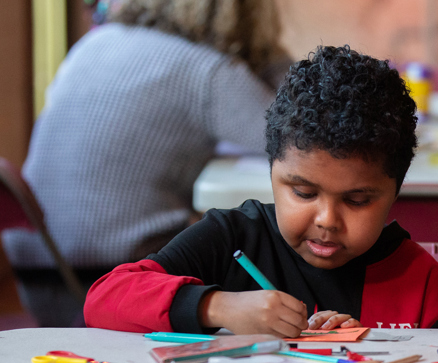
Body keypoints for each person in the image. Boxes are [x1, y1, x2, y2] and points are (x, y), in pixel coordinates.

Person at [84, 45, 438, 337]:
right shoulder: (232, 239)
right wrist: (217, 308)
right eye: (303, 193)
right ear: (272, 172)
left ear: (394, 191)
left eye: (357, 200)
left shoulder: (421, 282)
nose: (327, 221)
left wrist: (364, 352)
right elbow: (104, 298)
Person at [1, 0, 290, 327]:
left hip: (37, 273)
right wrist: (267, 52)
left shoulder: (95, 43)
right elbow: (298, 136)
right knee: (266, 249)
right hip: (115, 281)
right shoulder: (206, 70)